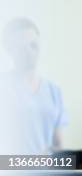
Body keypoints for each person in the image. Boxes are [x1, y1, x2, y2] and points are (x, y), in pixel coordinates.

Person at [0, 18, 67, 155]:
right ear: (9, 50)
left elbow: (58, 145)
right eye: (21, 47)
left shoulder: (54, 91)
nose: (29, 52)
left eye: (33, 45)